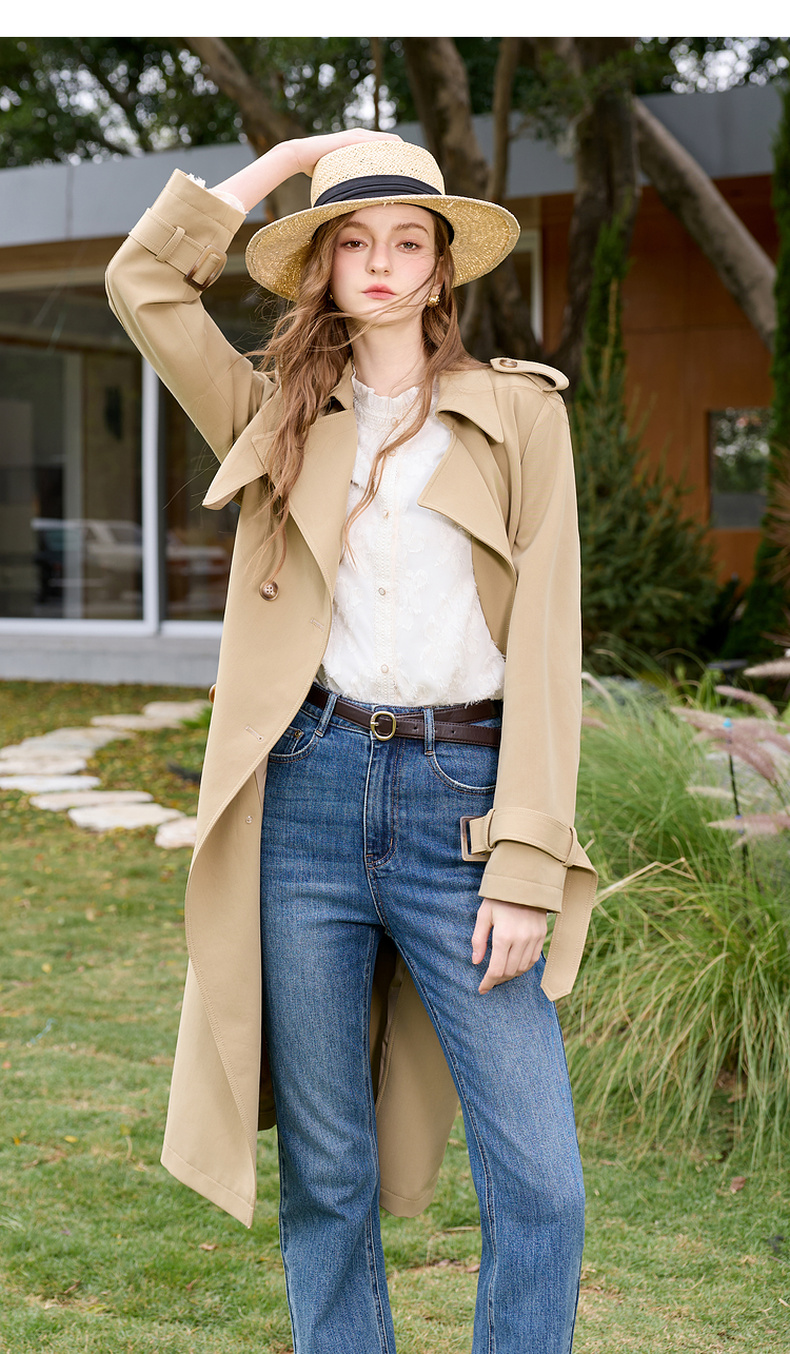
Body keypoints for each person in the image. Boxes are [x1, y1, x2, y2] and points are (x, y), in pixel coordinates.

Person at [106, 129, 597, 1354]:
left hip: (463, 800)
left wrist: (528, 859)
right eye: (353, 243)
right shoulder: (273, 413)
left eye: (407, 241)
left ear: (440, 268)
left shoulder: (521, 414)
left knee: (540, 1176)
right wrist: (282, 160)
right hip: (308, 796)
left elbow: (548, 646)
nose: (381, 263)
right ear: (322, 266)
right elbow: (143, 281)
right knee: (326, 1170)